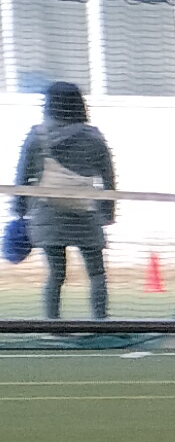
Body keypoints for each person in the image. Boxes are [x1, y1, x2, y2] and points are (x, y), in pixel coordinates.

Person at [16, 78, 114, 325]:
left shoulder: (37, 136)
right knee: (97, 273)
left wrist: (19, 211)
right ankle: (101, 323)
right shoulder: (94, 137)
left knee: (56, 274)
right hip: (85, 213)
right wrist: (107, 212)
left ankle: (53, 325)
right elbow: (108, 177)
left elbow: (21, 177)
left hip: (47, 215)